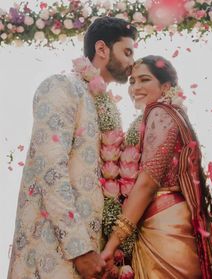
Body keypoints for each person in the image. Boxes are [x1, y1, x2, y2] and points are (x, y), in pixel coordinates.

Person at [7, 16, 137, 279]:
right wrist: (79, 248)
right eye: (127, 51)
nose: (132, 62)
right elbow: (50, 170)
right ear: (102, 49)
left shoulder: (104, 106)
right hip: (54, 255)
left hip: (93, 258)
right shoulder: (62, 87)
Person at [101, 55, 212, 278]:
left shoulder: (160, 113)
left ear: (166, 86)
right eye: (132, 81)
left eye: (144, 80)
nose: (135, 87)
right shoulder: (170, 113)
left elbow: (148, 183)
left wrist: (112, 243)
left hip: (163, 224)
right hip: (172, 218)